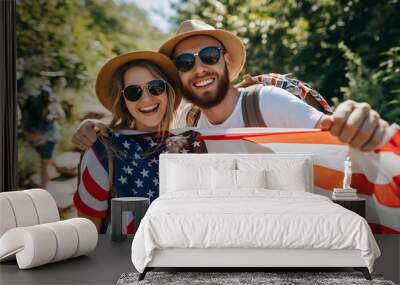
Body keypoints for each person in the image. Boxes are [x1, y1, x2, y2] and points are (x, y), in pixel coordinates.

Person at [72, 19, 389, 153]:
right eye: (184, 63)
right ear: (178, 78)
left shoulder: (267, 103)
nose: (199, 68)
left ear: (225, 60)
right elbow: (145, 129)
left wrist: (357, 119)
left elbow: (334, 133)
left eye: (208, 56)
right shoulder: (189, 121)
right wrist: (99, 128)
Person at [73, 51, 184, 233]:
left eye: (155, 86)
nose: (146, 99)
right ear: (123, 100)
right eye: (133, 92)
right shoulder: (103, 150)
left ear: (168, 90)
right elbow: (88, 234)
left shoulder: (189, 143)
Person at [22, 85, 65, 188]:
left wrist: (53, 117)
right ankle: (44, 185)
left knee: (44, 165)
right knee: (42, 164)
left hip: (50, 138)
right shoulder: (36, 103)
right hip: (39, 139)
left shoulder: (53, 104)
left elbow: (62, 118)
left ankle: (43, 188)